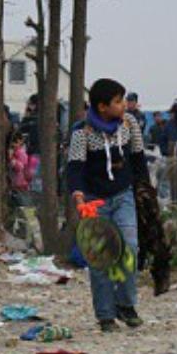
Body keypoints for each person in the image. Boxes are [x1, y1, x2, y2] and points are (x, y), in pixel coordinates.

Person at [66, 78, 146, 333]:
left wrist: (144, 189)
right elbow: (75, 169)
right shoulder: (81, 133)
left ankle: (126, 304)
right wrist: (78, 196)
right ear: (102, 106)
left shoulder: (129, 124)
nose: (124, 105)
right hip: (94, 201)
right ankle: (105, 315)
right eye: (118, 101)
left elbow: (138, 158)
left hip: (123, 195)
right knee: (99, 259)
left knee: (129, 247)